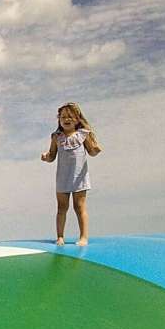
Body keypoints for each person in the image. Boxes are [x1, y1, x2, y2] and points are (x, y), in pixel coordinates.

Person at [41, 102, 102, 246]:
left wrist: (96, 149)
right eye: (63, 117)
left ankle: (83, 237)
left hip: (79, 177)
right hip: (62, 178)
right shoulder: (57, 137)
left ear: (77, 119)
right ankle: (60, 237)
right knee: (62, 208)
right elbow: (52, 156)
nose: (66, 119)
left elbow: (92, 152)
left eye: (70, 117)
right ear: (59, 120)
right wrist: (45, 156)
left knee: (79, 207)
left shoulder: (83, 135)